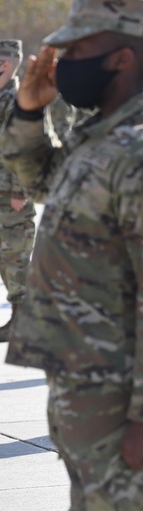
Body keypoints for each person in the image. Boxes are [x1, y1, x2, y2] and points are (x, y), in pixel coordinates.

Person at [1, 0, 143, 511]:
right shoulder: (99, 137)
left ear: (122, 58)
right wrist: (28, 109)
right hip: (81, 380)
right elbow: (41, 178)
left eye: (76, 49)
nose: (62, 63)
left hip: (121, 393)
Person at [0, 40, 35, 343]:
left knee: (16, 258)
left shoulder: (20, 98)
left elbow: (27, 148)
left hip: (12, 196)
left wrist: (19, 191)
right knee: (5, 259)